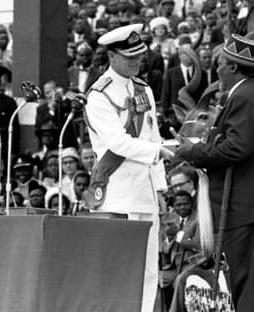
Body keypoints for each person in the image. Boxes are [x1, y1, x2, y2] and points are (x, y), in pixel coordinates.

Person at [175, 34, 254, 311]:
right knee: (243, 282)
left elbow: (237, 148)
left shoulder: (246, 97)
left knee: (251, 285)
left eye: (221, 63)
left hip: (251, 207)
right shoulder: (247, 94)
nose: (217, 69)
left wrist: (192, 152)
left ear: (234, 67)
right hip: (249, 207)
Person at [84, 23, 173, 312]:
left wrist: (160, 188)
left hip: (144, 194)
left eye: (139, 56)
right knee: (117, 271)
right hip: (118, 195)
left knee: (148, 272)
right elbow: (118, 143)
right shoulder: (100, 95)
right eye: (130, 57)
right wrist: (160, 152)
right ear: (112, 57)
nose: (137, 62)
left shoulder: (143, 90)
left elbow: (153, 134)